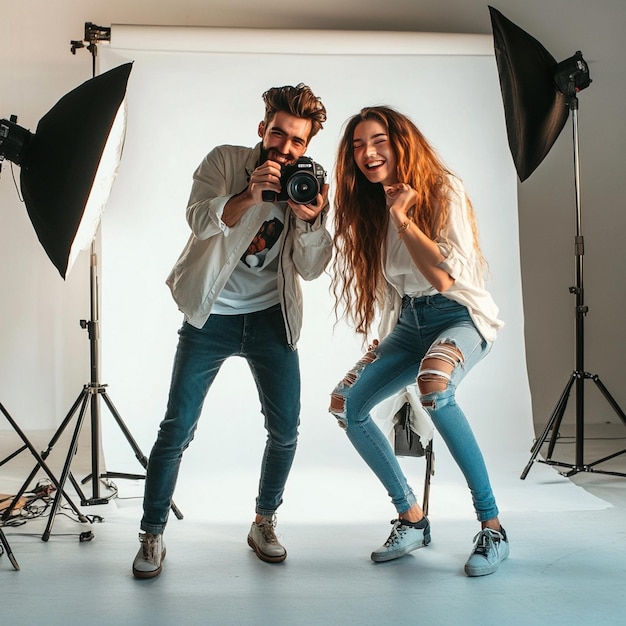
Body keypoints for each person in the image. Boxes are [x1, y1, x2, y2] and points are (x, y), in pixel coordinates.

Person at [132, 84, 331, 579]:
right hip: (210, 316)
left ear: (307, 146)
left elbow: (312, 269)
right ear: (263, 128)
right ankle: (152, 533)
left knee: (285, 430)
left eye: (297, 142)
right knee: (177, 427)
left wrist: (309, 222)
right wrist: (246, 196)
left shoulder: (308, 185)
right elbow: (198, 221)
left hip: (272, 318)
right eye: (279, 134)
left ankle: (264, 522)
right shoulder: (224, 161)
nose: (285, 149)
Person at [329, 105, 508, 577]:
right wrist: (382, 341)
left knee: (434, 385)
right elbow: (396, 287)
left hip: (459, 317)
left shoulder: (442, 189)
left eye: (378, 141)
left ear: (401, 142)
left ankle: (492, 527)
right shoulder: (377, 205)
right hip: (409, 324)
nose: (367, 153)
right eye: (358, 146)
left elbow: (443, 280)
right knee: (346, 403)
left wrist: (405, 216)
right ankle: (411, 517)